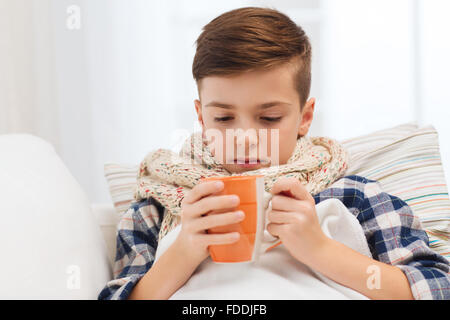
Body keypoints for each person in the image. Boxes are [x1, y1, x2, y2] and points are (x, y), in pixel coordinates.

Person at [98, 7, 450, 300]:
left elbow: (435, 288)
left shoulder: (356, 197)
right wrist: (183, 252)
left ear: (305, 117)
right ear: (201, 119)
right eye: (223, 118)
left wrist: (320, 250)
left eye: (269, 118)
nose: (246, 138)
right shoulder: (155, 209)